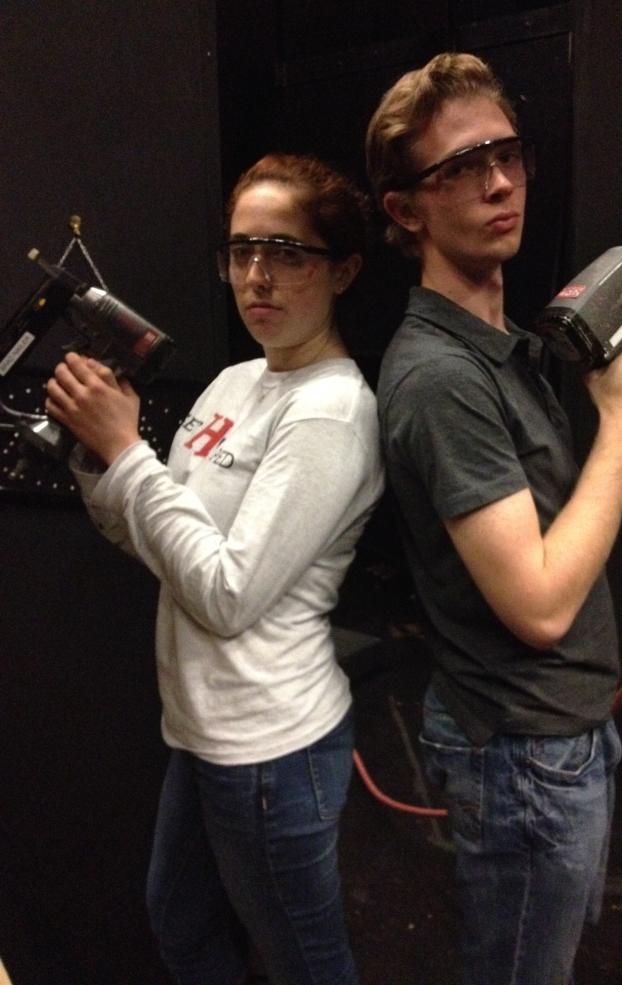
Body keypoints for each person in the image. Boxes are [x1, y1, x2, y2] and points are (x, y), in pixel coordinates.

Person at [365, 52, 622, 985]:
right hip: (521, 758)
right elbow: (541, 603)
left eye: (506, 153)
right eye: (460, 167)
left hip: (561, 735)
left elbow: (562, 523)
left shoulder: (506, 349)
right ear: (405, 209)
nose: (499, 180)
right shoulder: (440, 378)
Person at [45, 153, 384, 985]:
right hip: (203, 733)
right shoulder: (237, 382)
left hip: (270, 744)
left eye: (287, 252)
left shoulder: (332, 411)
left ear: (341, 269)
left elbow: (226, 595)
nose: (257, 275)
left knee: (307, 962)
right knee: (182, 923)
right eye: (240, 251)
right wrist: (100, 461)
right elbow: (155, 539)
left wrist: (128, 449)